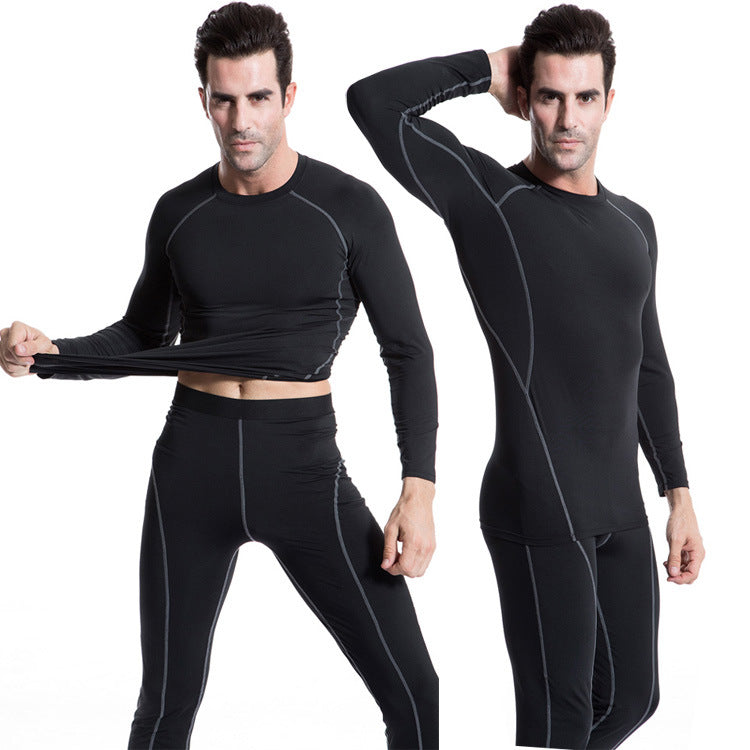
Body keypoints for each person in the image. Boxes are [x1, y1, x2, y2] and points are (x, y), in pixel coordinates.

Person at [0, 3, 438, 748]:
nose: (241, 120)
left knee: (414, 690)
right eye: (224, 99)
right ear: (202, 98)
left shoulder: (348, 208)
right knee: (166, 702)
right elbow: (142, 338)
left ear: (288, 97)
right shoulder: (180, 212)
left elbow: (409, 350)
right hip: (191, 465)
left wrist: (418, 490)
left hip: (302, 466)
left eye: (258, 97)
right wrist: (48, 354)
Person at [347, 4, 704, 748]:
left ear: (610, 101)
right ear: (525, 100)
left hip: (621, 508)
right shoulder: (490, 200)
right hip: (536, 501)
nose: (568, 119)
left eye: (585, 97)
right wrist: (488, 68)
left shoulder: (635, 224)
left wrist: (678, 494)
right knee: (558, 724)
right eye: (549, 96)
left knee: (633, 701)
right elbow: (373, 102)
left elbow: (648, 365)